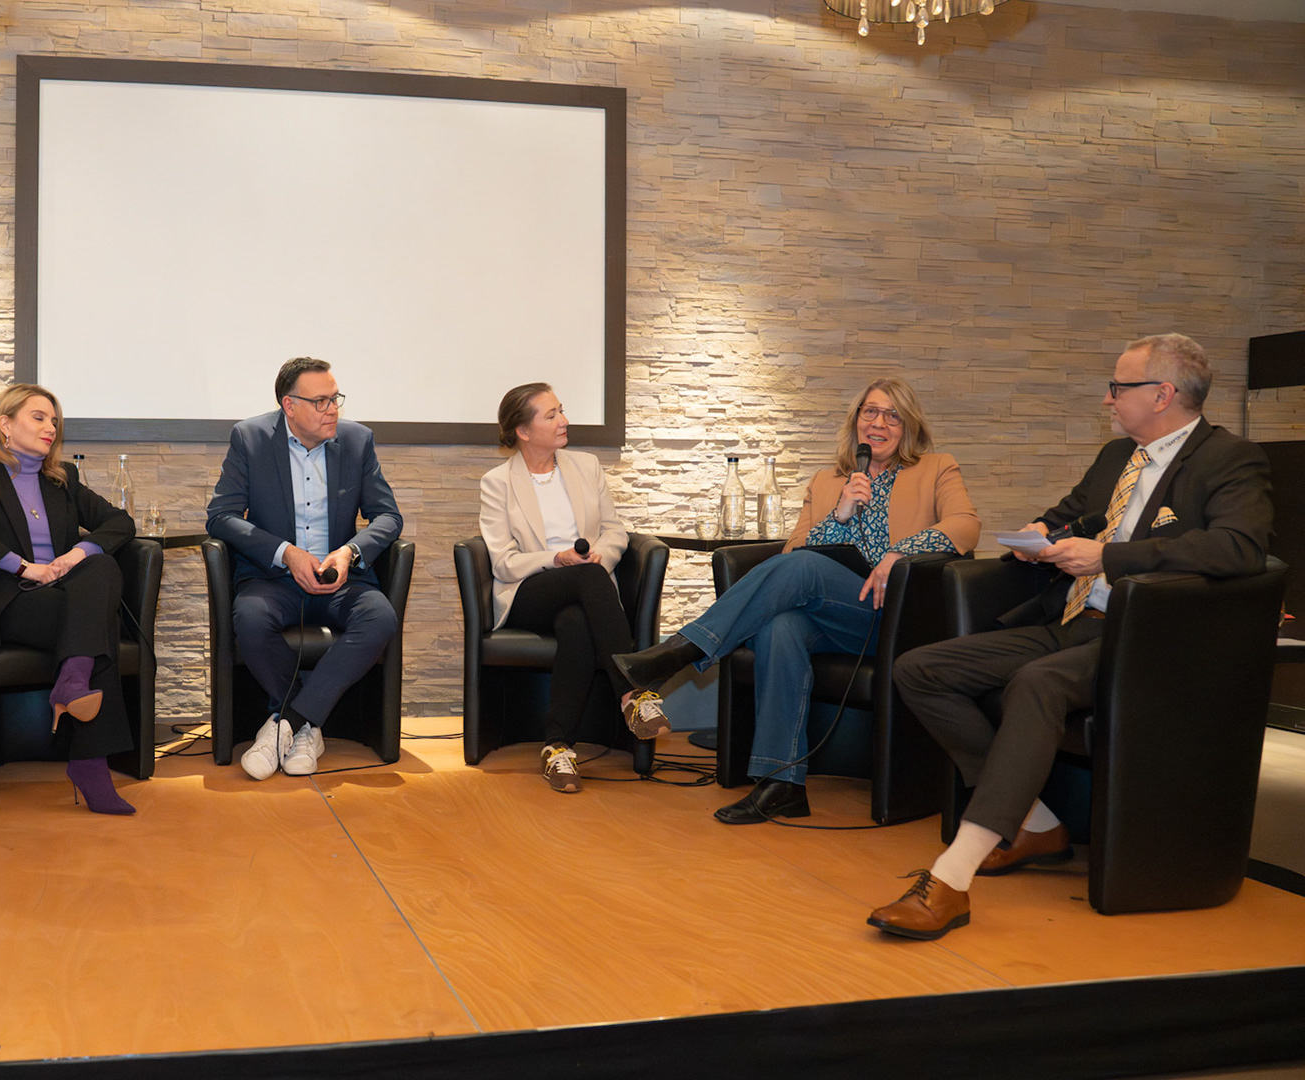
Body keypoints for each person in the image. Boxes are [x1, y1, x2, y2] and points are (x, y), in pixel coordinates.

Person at [869, 334, 1272, 940]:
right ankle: (1034, 821)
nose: (1108, 399)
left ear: (1162, 394)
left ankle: (951, 879)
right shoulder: (1117, 456)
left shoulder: (1229, 459)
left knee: (1036, 683)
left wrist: (1110, 557)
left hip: (1148, 639)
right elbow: (1071, 513)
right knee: (921, 669)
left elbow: (1240, 549)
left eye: (1119, 386)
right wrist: (1041, 532)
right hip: (1074, 622)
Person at [613, 377, 980, 824]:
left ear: (909, 426)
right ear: (856, 421)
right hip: (836, 616)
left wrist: (898, 554)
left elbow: (965, 526)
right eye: (870, 412)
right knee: (778, 626)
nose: (879, 423)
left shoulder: (937, 467)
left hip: (896, 615)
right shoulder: (829, 480)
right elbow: (794, 552)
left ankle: (680, 651)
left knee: (803, 571)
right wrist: (840, 514)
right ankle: (782, 782)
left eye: (892, 415)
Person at [0, 384, 140, 814]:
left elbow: (120, 522)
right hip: (13, 601)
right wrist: (25, 567)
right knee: (96, 624)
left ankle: (72, 681)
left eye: (54, 420)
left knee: (100, 565)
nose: (51, 427)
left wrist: (74, 554)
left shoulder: (61, 479)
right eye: (39, 417)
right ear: (5, 424)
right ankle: (89, 763)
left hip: (65, 598)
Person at [207, 357, 403, 780]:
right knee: (251, 617)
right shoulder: (251, 438)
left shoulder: (357, 441)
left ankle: (288, 722)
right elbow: (220, 516)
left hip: (338, 579)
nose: (333, 409)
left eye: (335, 398)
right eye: (321, 401)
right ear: (289, 406)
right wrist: (285, 552)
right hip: (274, 578)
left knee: (380, 618)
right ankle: (306, 728)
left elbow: (388, 517)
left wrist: (349, 552)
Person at [479, 383, 666, 793]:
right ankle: (634, 693)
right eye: (551, 415)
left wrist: (600, 555)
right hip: (530, 591)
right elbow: (504, 563)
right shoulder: (498, 482)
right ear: (523, 431)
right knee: (585, 579)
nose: (564, 421)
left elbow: (615, 531)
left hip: (586, 588)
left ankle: (557, 749)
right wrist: (556, 558)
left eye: (561, 410)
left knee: (578, 623)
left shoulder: (586, 467)